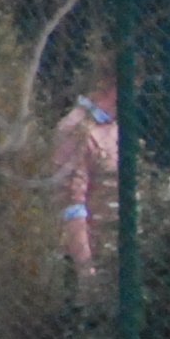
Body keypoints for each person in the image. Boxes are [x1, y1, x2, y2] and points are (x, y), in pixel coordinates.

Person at [51, 63, 119, 275]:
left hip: (115, 255)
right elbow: (71, 204)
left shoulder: (114, 126)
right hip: (85, 261)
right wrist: (86, 270)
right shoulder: (76, 129)